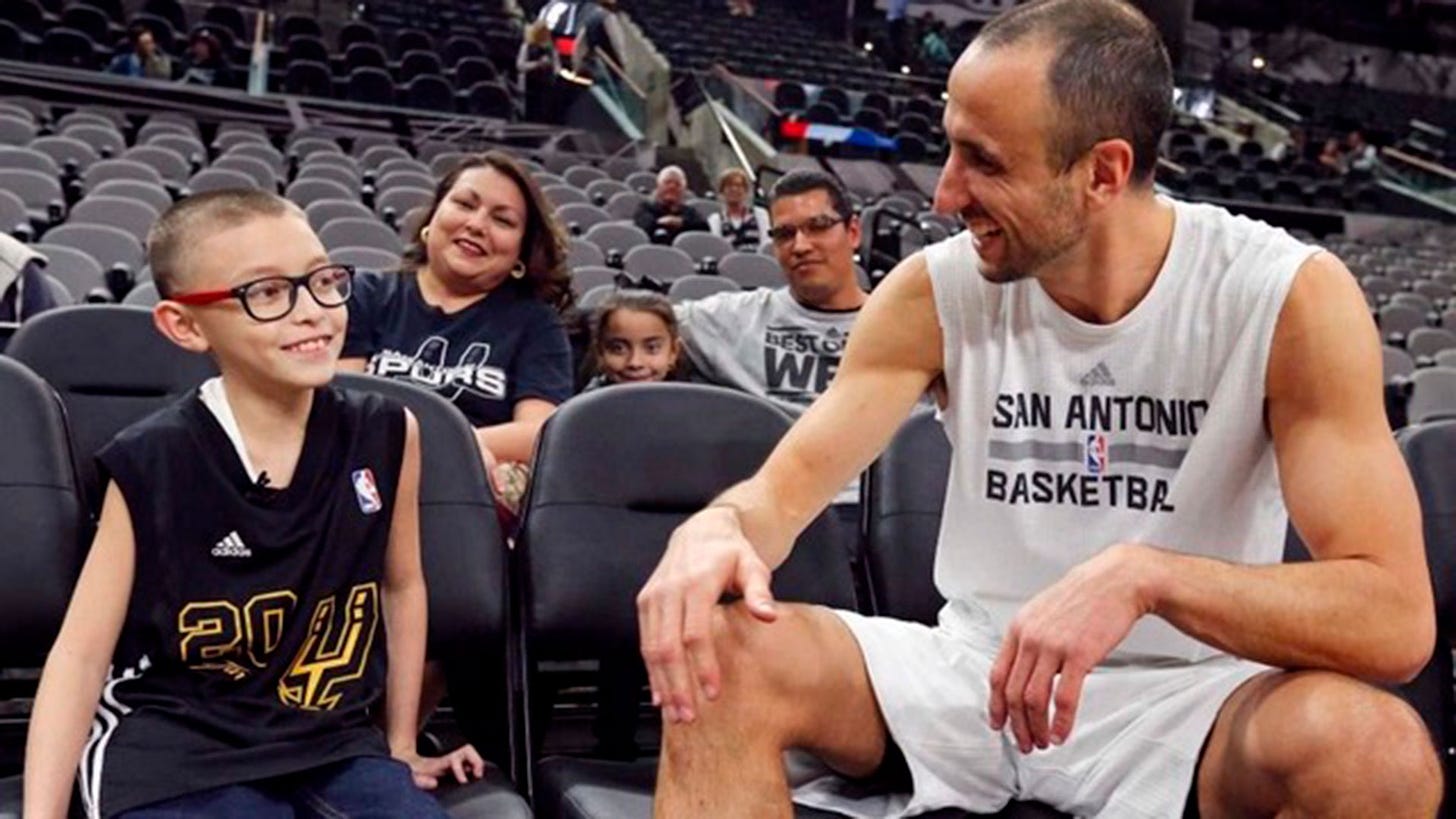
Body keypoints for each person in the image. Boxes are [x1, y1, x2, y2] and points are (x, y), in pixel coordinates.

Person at [636, 1, 1441, 817]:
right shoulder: (931, 291)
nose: (946, 194)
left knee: (1377, 754)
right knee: (721, 654)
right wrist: (718, 528)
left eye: (983, 161)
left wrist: (1149, 577)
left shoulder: (1284, 297)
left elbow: (1394, 618)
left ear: (1102, 171)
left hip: (1186, 696)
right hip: (973, 671)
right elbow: (781, 493)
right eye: (950, 147)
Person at [22, 189, 484, 819]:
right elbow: (80, 655)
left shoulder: (389, 430)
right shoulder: (152, 459)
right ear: (184, 324)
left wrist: (399, 743)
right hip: (178, 752)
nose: (313, 311)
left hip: (333, 743)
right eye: (266, 293)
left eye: (322, 279)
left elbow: (400, 588)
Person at [342, 151, 575, 478]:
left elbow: (537, 433)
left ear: (521, 253)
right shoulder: (366, 293)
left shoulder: (536, 324)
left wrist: (440, 450)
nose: (477, 224)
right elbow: (339, 401)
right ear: (432, 217)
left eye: (503, 220)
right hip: (361, 470)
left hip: (466, 481)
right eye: (465, 204)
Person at [584, 290, 683, 390]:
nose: (635, 363)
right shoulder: (585, 404)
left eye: (652, 348)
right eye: (618, 349)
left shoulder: (691, 401)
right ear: (599, 352)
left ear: (673, 351)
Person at [634, 166, 709, 246]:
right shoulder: (646, 207)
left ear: (684, 190)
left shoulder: (690, 212)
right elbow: (646, 225)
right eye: (667, 183)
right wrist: (664, 222)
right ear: (658, 186)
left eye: (678, 184)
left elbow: (703, 228)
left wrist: (680, 222)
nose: (672, 187)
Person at [706, 167, 770, 252]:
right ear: (722, 191)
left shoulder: (760, 214)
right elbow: (717, 248)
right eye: (729, 186)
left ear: (746, 191)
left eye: (739, 186)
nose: (734, 189)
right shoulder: (715, 219)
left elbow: (766, 244)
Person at [517, 20, 561, 124]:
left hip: (545, 85)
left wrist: (553, 69)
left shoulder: (551, 49)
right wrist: (537, 64)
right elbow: (520, 66)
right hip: (529, 85)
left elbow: (557, 67)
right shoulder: (527, 47)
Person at [106, 25, 173, 81]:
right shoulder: (123, 61)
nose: (152, 46)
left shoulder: (157, 64)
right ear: (136, 46)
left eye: (151, 42)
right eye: (146, 43)